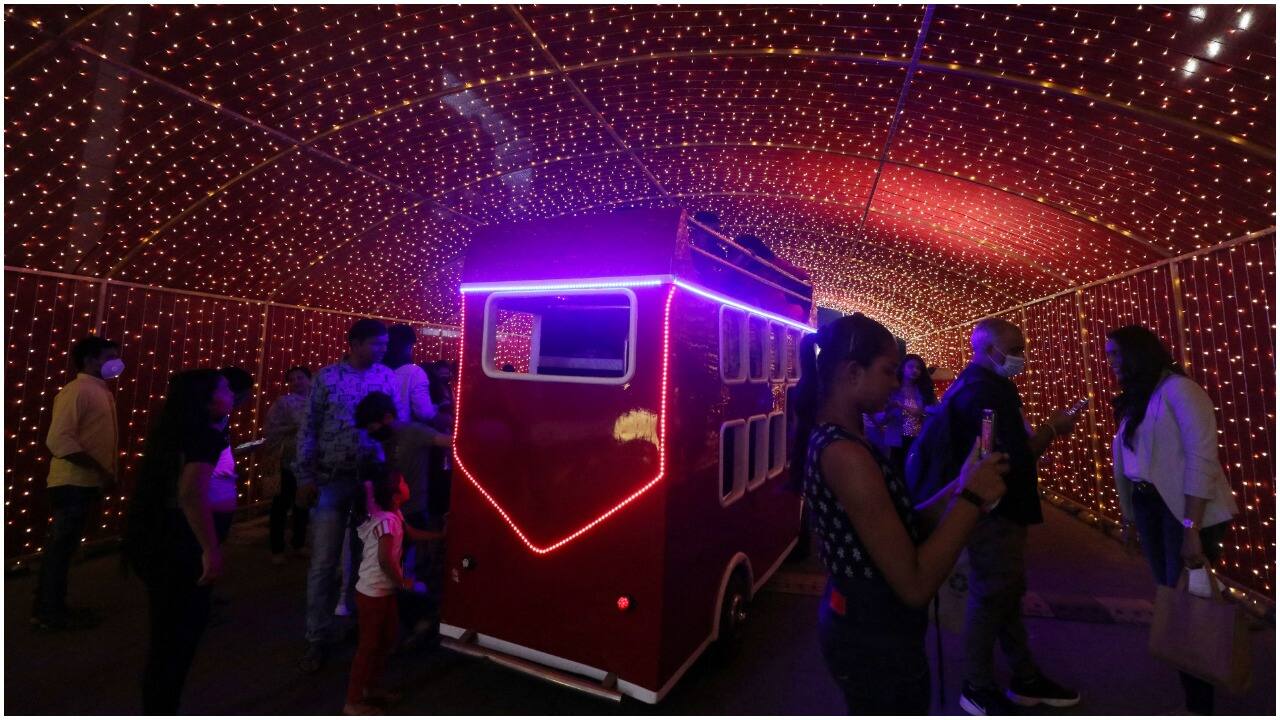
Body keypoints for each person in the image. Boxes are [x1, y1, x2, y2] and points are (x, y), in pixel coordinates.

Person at [793, 313, 1009, 714]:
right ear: (853, 373)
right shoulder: (846, 454)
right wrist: (973, 500)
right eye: (889, 371)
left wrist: (961, 484)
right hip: (873, 635)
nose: (897, 383)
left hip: (868, 626)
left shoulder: (849, 436)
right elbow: (913, 583)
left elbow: (905, 522)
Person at [948, 318, 1082, 715]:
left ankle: (1024, 676)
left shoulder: (979, 387)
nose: (1022, 356)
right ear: (988, 349)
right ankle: (976, 684)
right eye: (1015, 348)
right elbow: (1004, 460)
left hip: (998, 510)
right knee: (991, 595)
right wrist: (1052, 430)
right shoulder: (984, 394)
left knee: (1005, 594)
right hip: (995, 512)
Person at [1105, 325, 1239, 715]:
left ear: (1137, 354)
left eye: (1116, 354)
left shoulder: (1180, 390)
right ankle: (1194, 688)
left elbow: (1202, 458)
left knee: (1190, 607)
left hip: (1183, 510)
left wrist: (1190, 528)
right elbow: (1134, 462)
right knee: (1173, 598)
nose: (1110, 362)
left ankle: (1200, 698)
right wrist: (1131, 515)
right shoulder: (1141, 396)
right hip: (1152, 506)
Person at [125, 369, 236, 714]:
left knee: (164, 635)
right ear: (207, 399)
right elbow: (190, 492)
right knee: (179, 638)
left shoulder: (171, 431)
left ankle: (157, 703)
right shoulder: (206, 436)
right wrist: (210, 547)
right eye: (225, 389)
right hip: (181, 543)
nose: (231, 395)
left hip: (154, 538)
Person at [295, 319, 402, 673]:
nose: (382, 350)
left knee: (364, 560)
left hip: (370, 482)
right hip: (331, 478)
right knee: (324, 562)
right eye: (375, 344)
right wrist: (305, 476)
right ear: (354, 343)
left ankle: (359, 625)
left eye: (384, 345)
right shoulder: (327, 378)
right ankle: (316, 637)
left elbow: (395, 425)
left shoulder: (387, 377)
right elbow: (309, 427)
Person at [34, 336, 123, 630]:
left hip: (85, 482)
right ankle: (49, 612)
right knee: (60, 549)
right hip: (71, 482)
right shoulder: (77, 391)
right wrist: (100, 469)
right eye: (109, 356)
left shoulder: (100, 391)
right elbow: (59, 440)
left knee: (65, 548)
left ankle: (53, 607)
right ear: (90, 359)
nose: (116, 362)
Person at [344, 464, 443, 715]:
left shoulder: (395, 515)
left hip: (383, 592)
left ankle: (371, 688)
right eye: (404, 483)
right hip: (372, 593)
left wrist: (441, 536)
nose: (408, 485)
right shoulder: (387, 522)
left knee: (385, 639)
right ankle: (352, 702)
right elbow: (385, 559)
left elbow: (411, 534)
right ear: (396, 494)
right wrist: (403, 582)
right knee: (368, 646)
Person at [355, 391, 452, 642]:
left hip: (412, 511)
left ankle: (423, 618)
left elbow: (448, 441)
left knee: (394, 571)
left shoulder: (413, 432)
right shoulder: (382, 441)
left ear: (387, 416)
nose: (370, 431)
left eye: (372, 425)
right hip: (391, 515)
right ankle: (416, 619)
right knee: (389, 570)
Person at [264, 366, 312, 564]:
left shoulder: (316, 402)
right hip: (288, 460)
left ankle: (299, 543)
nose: (296, 382)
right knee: (281, 505)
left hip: (309, 460)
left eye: (300, 378)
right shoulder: (284, 402)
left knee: (303, 504)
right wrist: (292, 428)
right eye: (292, 379)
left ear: (309, 379)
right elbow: (271, 428)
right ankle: (277, 549)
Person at [871, 354, 937, 476]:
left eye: (918, 368)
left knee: (915, 473)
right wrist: (890, 410)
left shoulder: (923, 391)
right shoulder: (892, 389)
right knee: (898, 473)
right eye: (911, 366)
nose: (915, 370)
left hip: (918, 439)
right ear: (903, 368)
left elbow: (926, 412)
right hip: (897, 438)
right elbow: (880, 419)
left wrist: (901, 405)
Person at [385, 324, 436, 424]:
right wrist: (435, 410)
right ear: (408, 346)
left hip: (372, 434)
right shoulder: (414, 372)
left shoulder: (374, 369)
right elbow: (424, 413)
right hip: (402, 434)